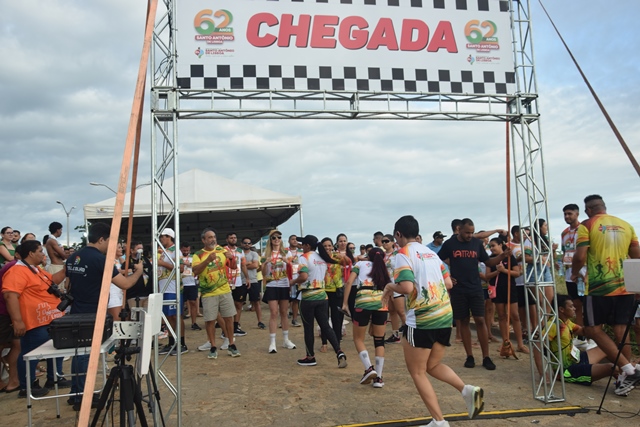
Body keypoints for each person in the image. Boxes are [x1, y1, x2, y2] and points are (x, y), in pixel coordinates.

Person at [382, 215, 484, 426]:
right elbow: (448, 283)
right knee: (432, 364)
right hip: (444, 315)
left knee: (417, 372)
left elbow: (406, 287)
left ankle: (439, 421)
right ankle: (467, 390)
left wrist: (389, 287)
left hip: (422, 320)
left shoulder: (403, 254)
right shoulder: (432, 254)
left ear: (398, 234)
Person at [64, 222, 144, 409]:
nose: (112, 245)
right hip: (93, 313)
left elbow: (68, 285)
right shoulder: (101, 260)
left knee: (79, 353)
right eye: (111, 241)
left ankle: (76, 392)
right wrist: (139, 272)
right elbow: (125, 284)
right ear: (101, 239)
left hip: (77, 311)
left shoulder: (74, 256)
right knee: (86, 355)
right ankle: (82, 397)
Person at [571, 194, 640, 396]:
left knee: (592, 330)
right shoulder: (626, 225)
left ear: (588, 210)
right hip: (625, 286)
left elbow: (580, 256)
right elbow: (637, 257)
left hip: (599, 287)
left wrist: (574, 272)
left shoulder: (587, 225)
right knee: (621, 331)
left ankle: (628, 370)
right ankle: (624, 380)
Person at [438, 218, 509, 370]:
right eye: (467, 233)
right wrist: (446, 276)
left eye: (472, 232)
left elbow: (488, 262)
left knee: (480, 320)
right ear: (459, 230)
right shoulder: (450, 244)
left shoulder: (477, 244)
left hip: (475, 287)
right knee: (463, 321)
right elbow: (437, 260)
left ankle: (486, 357)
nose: (470, 235)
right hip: (458, 289)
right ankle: (469, 356)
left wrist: (503, 256)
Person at [3, 241, 69, 398]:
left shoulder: (34, 269)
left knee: (57, 348)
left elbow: (51, 281)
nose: (43, 254)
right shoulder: (16, 271)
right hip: (35, 322)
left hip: (50, 319)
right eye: (40, 251)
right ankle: (27, 385)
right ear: (31, 253)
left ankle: (54, 378)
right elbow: (10, 295)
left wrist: (66, 269)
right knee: (31, 354)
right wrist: (17, 321)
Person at [290, 235, 347, 368]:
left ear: (307, 246)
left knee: (308, 328)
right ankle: (339, 352)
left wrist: (293, 281)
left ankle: (310, 357)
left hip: (308, 296)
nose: (301, 246)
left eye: (303, 244)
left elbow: (303, 276)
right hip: (322, 295)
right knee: (325, 326)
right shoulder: (322, 258)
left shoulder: (304, 257)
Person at [535, 295, 617, 386]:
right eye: (571, 306)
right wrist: (542, 373)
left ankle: (623, 374)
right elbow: (537, 346)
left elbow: (584, 331)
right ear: (561, 309)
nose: (574, 308)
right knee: (612, 368)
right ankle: (623, 378)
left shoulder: (567, 322)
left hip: (576, 360)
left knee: (607, 347)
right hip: (567, 371)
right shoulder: (553, 325)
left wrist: (595, 322)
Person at [343, 247, 388, 386]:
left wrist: (345, 303)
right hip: (381, 303)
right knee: (379, 340)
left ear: (368, 256)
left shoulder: (360, 264)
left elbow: (349, 282)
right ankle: (378, 378)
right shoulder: (383, 268)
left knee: (358, 339)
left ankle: (368, 368)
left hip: (363, 302)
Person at [192, 228, 241, 358]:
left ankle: (231, 344)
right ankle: (213, 346)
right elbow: (195, 271)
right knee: (210, 320)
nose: (213, 239)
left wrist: (232, 258)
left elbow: (233, 267)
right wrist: (207, 260)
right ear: (203, 240)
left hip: (224, 290)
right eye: (209, 237)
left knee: (229, 318)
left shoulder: (221, 250)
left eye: (214, 237)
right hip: (208, 293)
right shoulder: (198, 254)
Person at [484, 238, 528, 354]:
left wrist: (504, 270)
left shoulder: (509, 257)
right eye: (490, 246)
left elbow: (517, 273)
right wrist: (497, 272)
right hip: (497, 290)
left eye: (493, 245)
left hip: (510, 288)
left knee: (515, 315)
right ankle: (505, 343)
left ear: (500, 245)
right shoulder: (490, 260)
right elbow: (487, 276)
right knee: (502, 316)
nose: (491, 248)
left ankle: (520, 344)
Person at [261, 230, 296, 354]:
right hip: (271, 284)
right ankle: (272, 342)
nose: (276, 239)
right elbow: (263, 273)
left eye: (279, 237)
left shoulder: (286, 253)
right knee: (274, 313)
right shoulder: (265, 254)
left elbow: (294, 267)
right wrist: (265, 263)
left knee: (284, 312)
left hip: (284, 284)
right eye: (274, 237)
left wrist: (288, 262)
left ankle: (286, 340)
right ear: (270, 240)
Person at [157, 228, 188, 356]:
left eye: (163, 236)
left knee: (176, 316)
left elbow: (181, 268)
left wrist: (162, 263)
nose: (161, 239)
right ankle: (171, 342)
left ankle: (182, 343)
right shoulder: (164, 251)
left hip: (173, 289)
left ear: (169, 237)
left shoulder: (176, 250)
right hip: (164, 288)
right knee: (168, 316)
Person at [508, 225, 537, 341]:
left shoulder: (528, 244)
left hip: (528, 278)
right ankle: (525, 328)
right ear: (516, 233)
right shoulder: (509, 246)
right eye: (524, 233)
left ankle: (535, 327)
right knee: (521, 305)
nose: (526, 236)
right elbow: (509, 261)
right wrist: (519, 259)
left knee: (531, 303)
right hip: (517, 280)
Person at [319, 237, 348, 352]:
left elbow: (349, 263)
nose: (327, 248)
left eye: (329, 245)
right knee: (323, 318)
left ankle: (337, 342)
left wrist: (343, 258)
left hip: (337, 290)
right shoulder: (319, 258)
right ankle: (324, 342)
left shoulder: (337, 256)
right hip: (323, 290)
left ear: (333, 246)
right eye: (325, 246)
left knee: (337, 318)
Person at [561, 204, 586, 331]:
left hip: (584, 272)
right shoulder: (564, 233)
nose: (567, 216)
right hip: (570, 274)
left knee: (588, 305)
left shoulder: (584, 230)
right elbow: (564, 252)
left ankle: (592, 334)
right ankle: (581, 334)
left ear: (577, 214)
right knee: (576, 304)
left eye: (570, 213)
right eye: (565, 214)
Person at [225, 233, 250, 337]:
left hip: (238, 281)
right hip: (226, 282)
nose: (233, 239)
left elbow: (243, 265)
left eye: (235, 237)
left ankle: (236, 326)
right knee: (226, 306)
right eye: (231, 238)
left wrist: (247, 278)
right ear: (227, 240)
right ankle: (225, 329)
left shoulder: (240, 251)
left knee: (239, 304)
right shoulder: (223, 250)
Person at [382, 234, 405, 345]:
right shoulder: (382, 255)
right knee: (392, 311)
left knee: (401, 311)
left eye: (386, 241)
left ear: (392, 242)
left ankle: (410, 332)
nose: (384, 243)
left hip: (397, 285)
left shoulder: (398, 254)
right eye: (383, 241)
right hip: (387, 286)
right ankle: (396, 335)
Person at [241, 237, 264, 329]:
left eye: (249, 243)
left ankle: (260, 321)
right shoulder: (239, 253)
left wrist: (243, 265)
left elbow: (255, 265)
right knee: (238, 303)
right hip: (241, 281)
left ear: (251, 244)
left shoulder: (254, 253)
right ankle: (236, 323)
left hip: (253, 280)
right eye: (245, 243)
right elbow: (237, 265)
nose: (247, 244)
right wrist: (248, 263)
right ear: (242, 244)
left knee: (257, 302)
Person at [180, 243, 201, 331]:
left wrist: (190, 264)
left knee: (193, 302)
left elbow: (198, 266)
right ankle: (179, 323)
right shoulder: (178, 256)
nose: (186, 252)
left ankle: (194, 323)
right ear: (181, 249)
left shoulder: (193, 257)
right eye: (184, 250)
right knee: (180, 304)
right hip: (181, 283)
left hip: (192, 283)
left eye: (187, 250)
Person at [286, 235, 303, 327]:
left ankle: (295, 319)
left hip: (297, 277)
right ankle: (283, 320)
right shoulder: (285, 251)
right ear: (289, 241)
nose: (295, 241)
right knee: (285, 300)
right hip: (286, 277)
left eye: (296, 239)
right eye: (292, 239)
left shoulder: (301, 251)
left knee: (296, 299)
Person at [44, 222, 67, 287]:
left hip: (58, 266)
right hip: (55, 267)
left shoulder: (53, 240)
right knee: (58, 289)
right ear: (58, 230)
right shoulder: (52, 240)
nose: (61, 232)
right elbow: (63, 255)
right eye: (61, 230)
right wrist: (62, 254)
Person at [107, 242, 125, 320]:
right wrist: (127, 271)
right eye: (119, 248)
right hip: (112, 293)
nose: (121, 249)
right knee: (116, 320)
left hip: (119, 292)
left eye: (121, 247)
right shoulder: (109, 260)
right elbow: (115, 272)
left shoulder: (117, 261)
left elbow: (125, 263)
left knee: (119, 319)